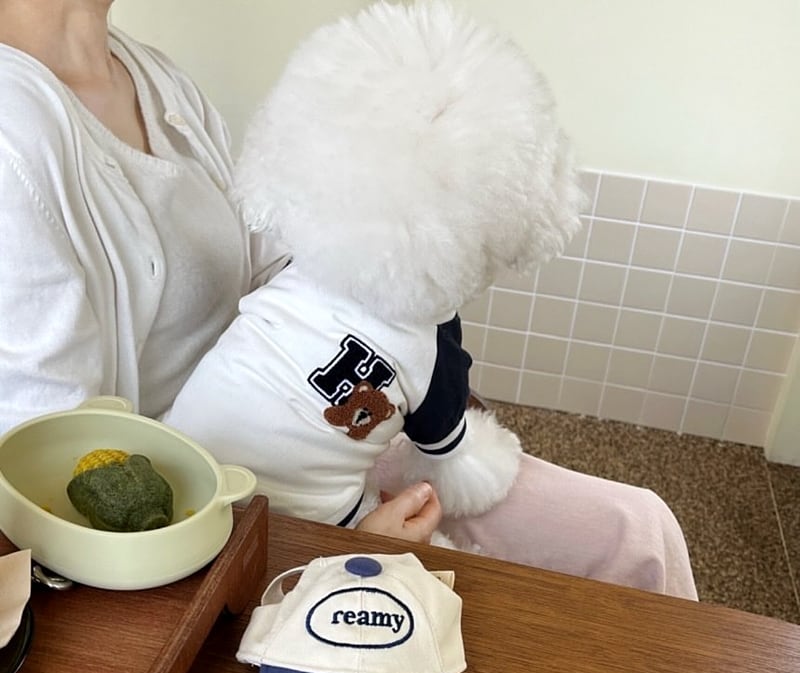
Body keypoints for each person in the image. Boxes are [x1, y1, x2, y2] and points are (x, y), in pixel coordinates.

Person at [0, 0, 698, 600]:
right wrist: (336, 551)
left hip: (311, 425)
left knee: (639, 532)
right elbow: (54, 481)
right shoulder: (15, 142)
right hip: (199, 523)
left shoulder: (154, 80)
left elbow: (270, 264)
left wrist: (405, 349)